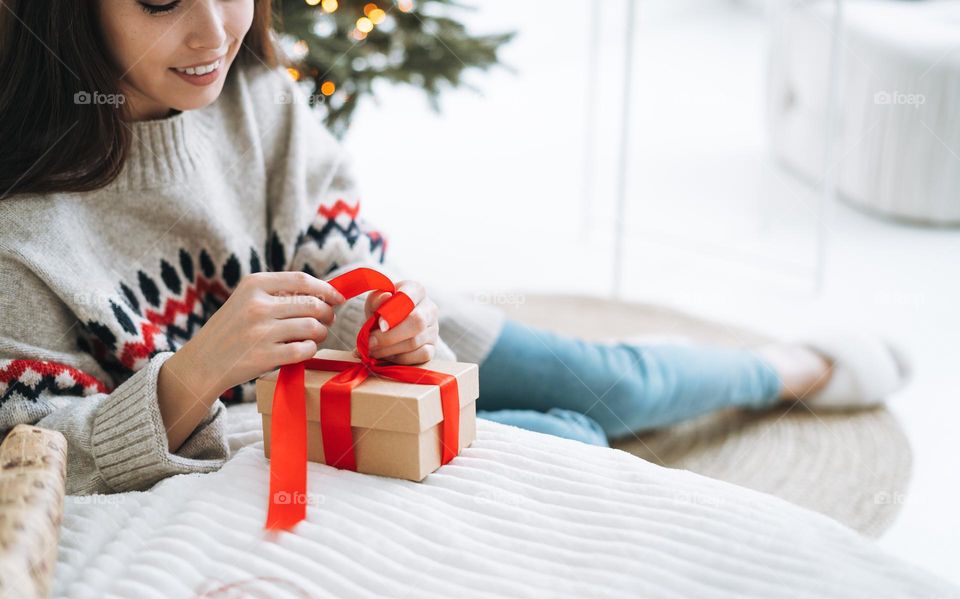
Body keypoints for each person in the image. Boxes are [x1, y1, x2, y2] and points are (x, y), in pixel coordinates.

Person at [0, 0, 910, 495]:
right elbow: (39, 451)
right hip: (281, 444)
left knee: (617, 379)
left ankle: (790, 370)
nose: (211, 31)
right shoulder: (25, 233)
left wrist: (387, 312)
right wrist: (191, 377)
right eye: (160, 0)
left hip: (377, 367)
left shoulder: (255, 94)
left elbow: (336, 233)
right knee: (570, 438)